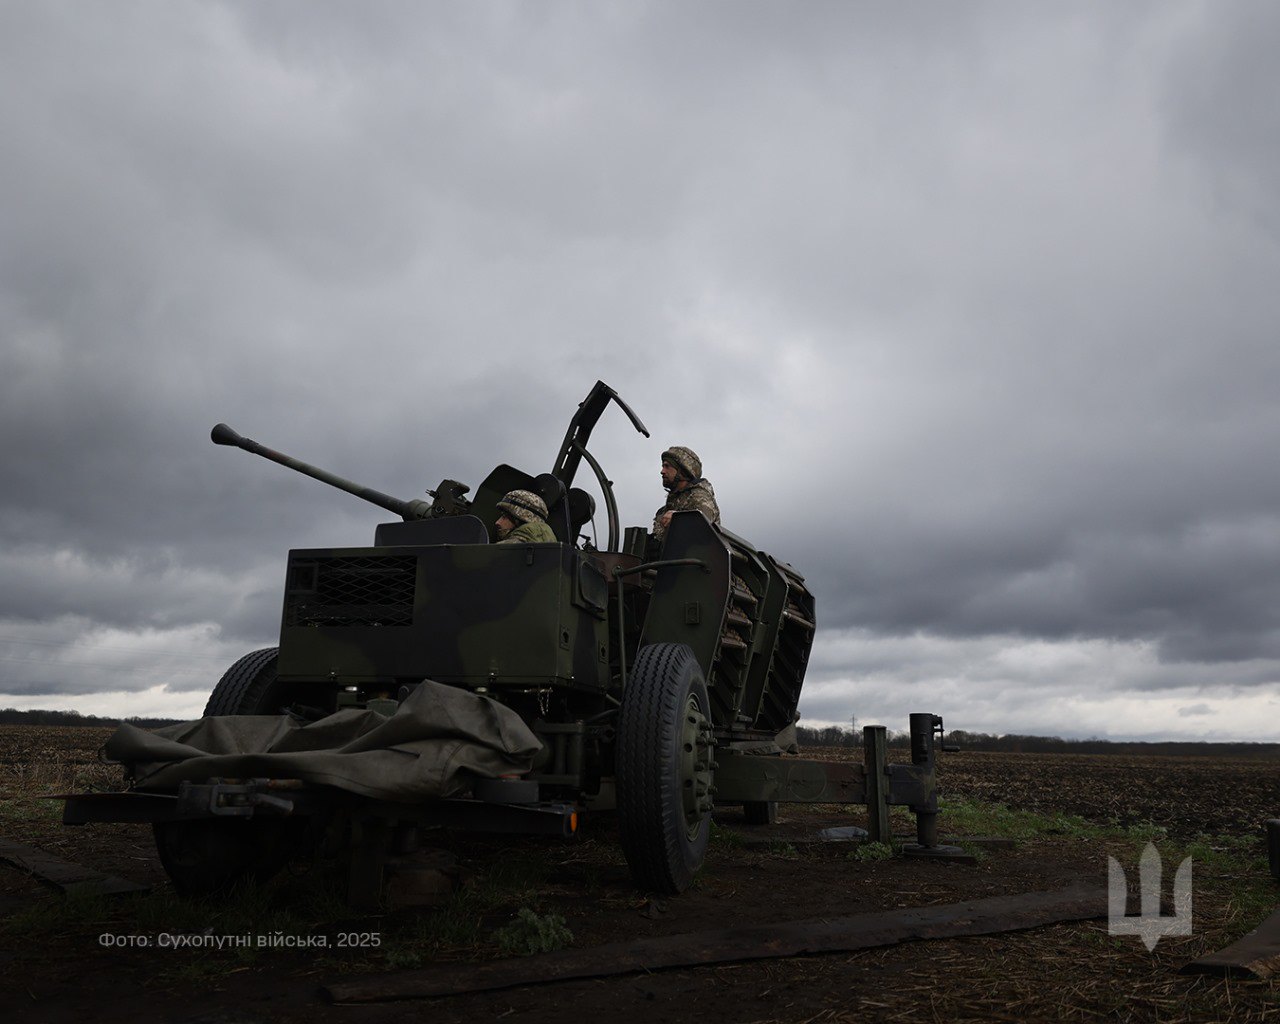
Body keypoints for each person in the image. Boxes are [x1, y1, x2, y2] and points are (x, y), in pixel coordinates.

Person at [652, 446, 720, 542]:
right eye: (663, 466)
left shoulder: (700, 497)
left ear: (682, 471)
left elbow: (703, 526)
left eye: (667, 466)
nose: (662, 471)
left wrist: (678, 519)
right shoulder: (663, 512)